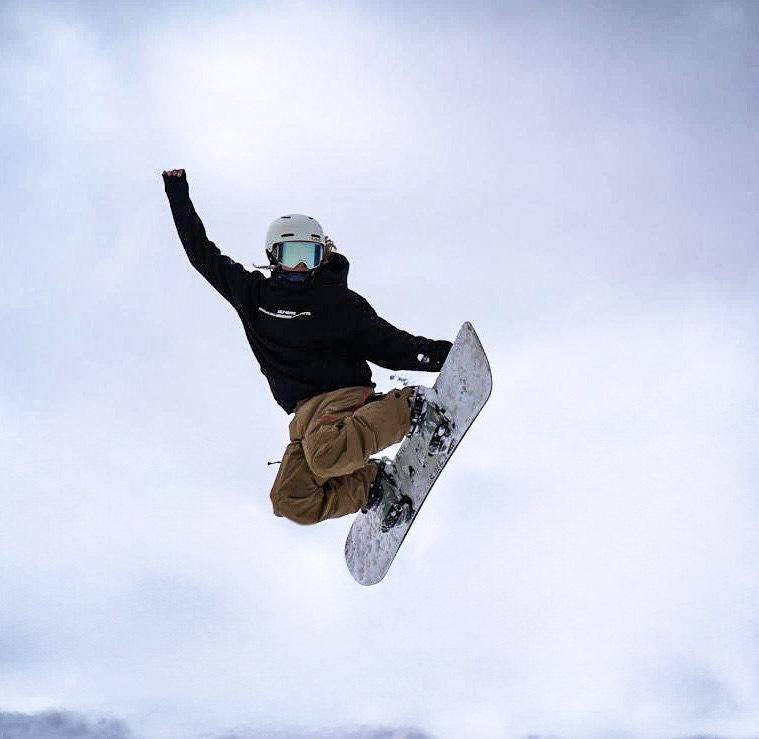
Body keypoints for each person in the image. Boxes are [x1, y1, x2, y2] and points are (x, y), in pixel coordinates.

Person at [162, 169, 452, 529]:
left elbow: (389, 344)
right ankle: (373, 487)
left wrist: (441, 356)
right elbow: (201, 254)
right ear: (274, 255)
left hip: (341, 397)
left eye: (310, 255)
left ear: (321, 257)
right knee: (289, 498)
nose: (301, 265)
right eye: (293, 254)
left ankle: (409, 408)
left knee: (326, 455)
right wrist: (177, 191)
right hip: (304, 417)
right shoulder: (252, 296)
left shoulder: (334, 302)